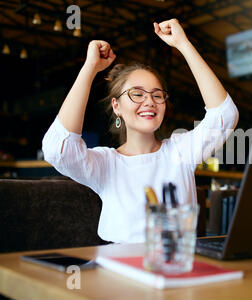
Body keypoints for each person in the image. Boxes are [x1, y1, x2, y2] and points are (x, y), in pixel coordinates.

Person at [42, 19, 239, 243]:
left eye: (157, 95)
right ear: (117, 106)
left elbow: (225, 116)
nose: (149, 101)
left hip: (175, 267)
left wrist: (183, 45)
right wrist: (89, 69)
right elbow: (59, 149)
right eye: (137, 93)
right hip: (116, 270)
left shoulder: (181, 152)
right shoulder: (106, 163)